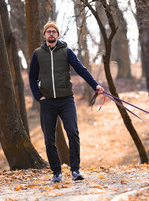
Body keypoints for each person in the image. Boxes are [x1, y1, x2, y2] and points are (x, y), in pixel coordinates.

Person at [29, 21, 104, 182]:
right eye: (48, 31)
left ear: (57, 34)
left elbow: (81, 69)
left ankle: (75, 170)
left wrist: (95, 85)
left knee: (73, 133)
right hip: (47, 102)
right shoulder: (38, 54)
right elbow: (32, 77)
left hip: (66, 100)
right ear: (44, 35)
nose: (51, 34)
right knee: (49, 139)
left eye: (54, 31)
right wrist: (38, 97)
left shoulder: (66, 51)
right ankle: (56, 172)